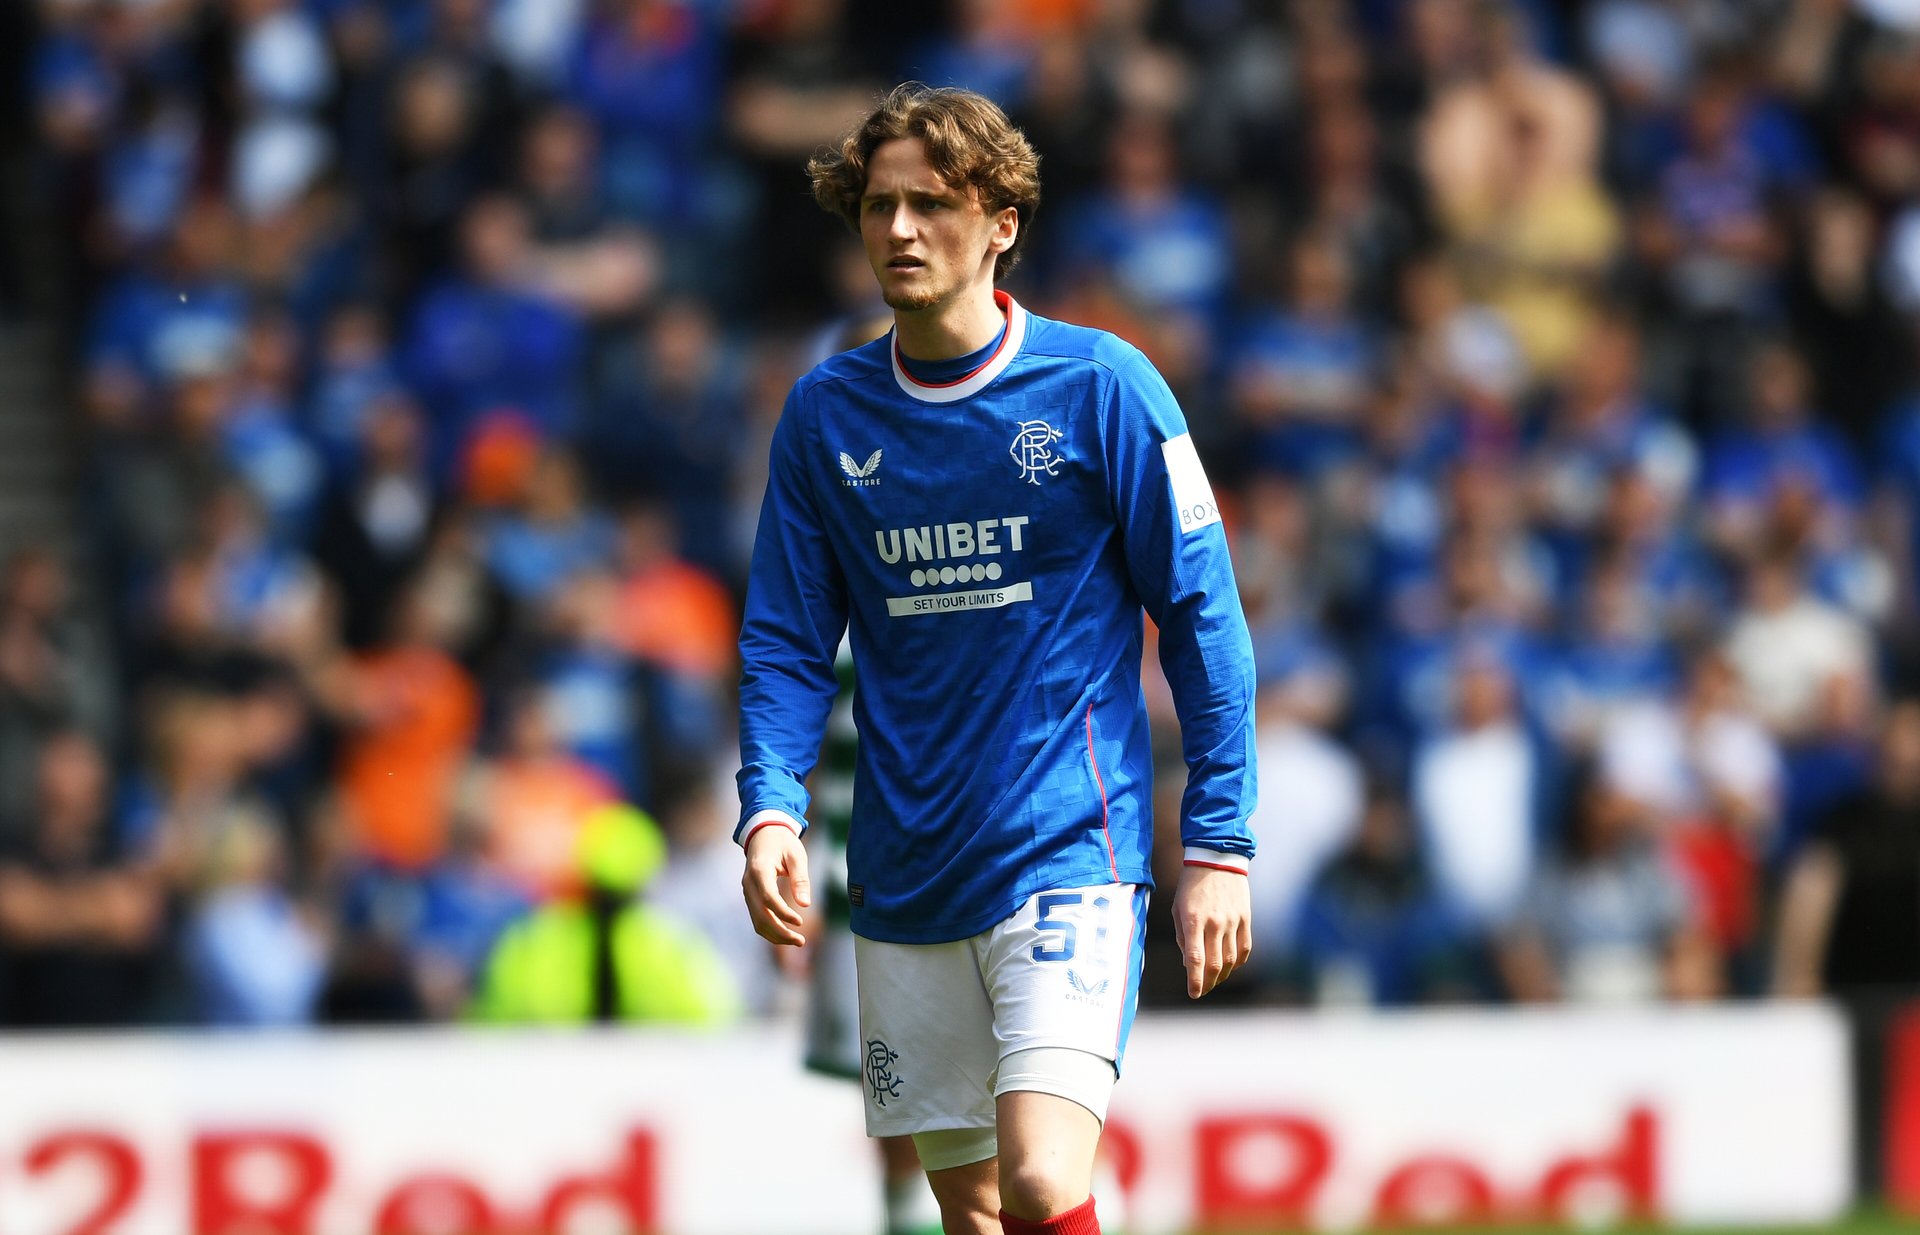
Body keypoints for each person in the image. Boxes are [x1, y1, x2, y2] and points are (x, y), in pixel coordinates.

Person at [735, 85, 1258, 1235]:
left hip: (1067, 845)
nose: (901, 231)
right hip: (905, 865)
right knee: (969, 1207)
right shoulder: (826, 416)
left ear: (1002, 221)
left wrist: (1219, 840)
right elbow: (783, 634)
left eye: (931, 203)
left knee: (1038, 1174)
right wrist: (769, 806)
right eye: (879, 206)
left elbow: (1205, 613)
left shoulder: (1104, 389)